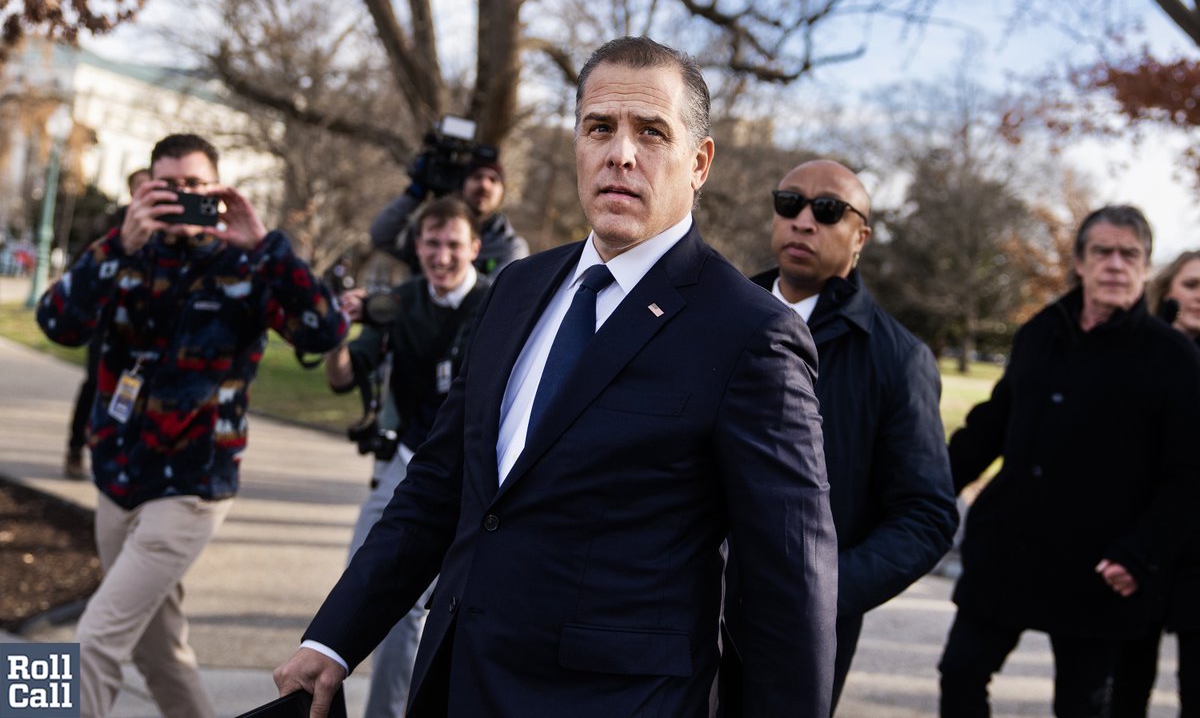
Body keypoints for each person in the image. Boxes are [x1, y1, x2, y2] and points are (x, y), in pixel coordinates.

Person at [274, 36, 837, 718]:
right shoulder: (515, 288)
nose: (620, 154)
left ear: (699, 162)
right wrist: (334, 639)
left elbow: (789, 587)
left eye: (651, 132)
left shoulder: (752, 334)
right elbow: (439, 484)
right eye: (599, 127)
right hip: (457, 683)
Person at [36, 133, 348, 718]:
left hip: (191, 487)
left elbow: (325, 330)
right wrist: (114, 246)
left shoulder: (250, 264)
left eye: (194, 186)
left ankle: (21, 709)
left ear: (219, 190)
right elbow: (56, 322)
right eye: (167, 185)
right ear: (144, 187)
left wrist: (266, 243)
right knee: (160, 653)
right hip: (117, 479)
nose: (180, 197)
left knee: (93, 640)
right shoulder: (122, 253)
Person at [939, 206, 1200, 717]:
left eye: (1131, 254)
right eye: (1103, 251)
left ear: (1146, 269)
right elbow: (992, 426)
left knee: (1082, 706)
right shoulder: (1040, 333)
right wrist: (926, 489)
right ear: (1079, 262)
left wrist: (1140, 554)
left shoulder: (1172, 357)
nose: (1116, 264)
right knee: (961, 673)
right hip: (1009, 548)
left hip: (1100, 568)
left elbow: (1189, 475)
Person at [726, 159, 959, 712]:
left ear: (861, 237)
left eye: (827, 210)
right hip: (676, 611)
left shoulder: (899, 359)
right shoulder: (718, 312)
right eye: (790, 204)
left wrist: (822, 592)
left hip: (795, 641)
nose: (804, 220)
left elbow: (927, 516)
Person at [328, 196, 490, 718]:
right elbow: (344, 375)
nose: (441, 256)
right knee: (366, 588)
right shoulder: (398, 302)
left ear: (475, 248)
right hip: (407, 464)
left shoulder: (501, 303)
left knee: (456, 613)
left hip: (475, 476)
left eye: (452, 245)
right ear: (417, 246)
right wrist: (335, 334)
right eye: (431, 244)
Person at [1111, 249, 1200, 717]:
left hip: (1196, 554)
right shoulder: (1139, 351)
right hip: (1140, 547)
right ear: (1168, 289)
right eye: (1192, 285)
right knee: (1124, 687)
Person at [63, 167, 152, 481]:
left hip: (146, 327)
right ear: (131, 192)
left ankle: (125, 456)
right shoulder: (109, 224)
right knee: (95, 382)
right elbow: (81, 270)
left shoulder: (166, 229)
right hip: (108, 320)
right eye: (140, 187)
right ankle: (77, 447)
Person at [370, 156, 529, 276]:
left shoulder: (510, 247)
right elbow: (382, 236)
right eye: (476, 177)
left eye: (493, 180)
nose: (484, 185)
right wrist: (414, 194)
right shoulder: (430, 230)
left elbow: (500, 295)